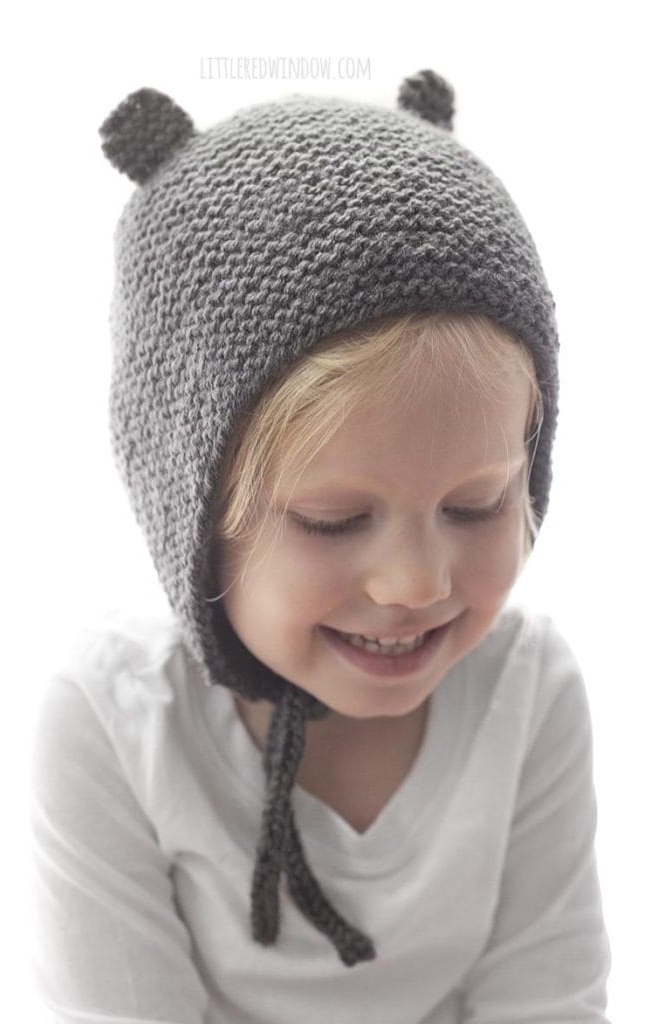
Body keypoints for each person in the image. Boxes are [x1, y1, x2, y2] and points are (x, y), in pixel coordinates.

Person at [30, 69, 612, 1022]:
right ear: (190, 509)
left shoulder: (527, 687)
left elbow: (549, 996)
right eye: (333, 522)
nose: (417, 583)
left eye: (476, 506)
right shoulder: (111, 719)